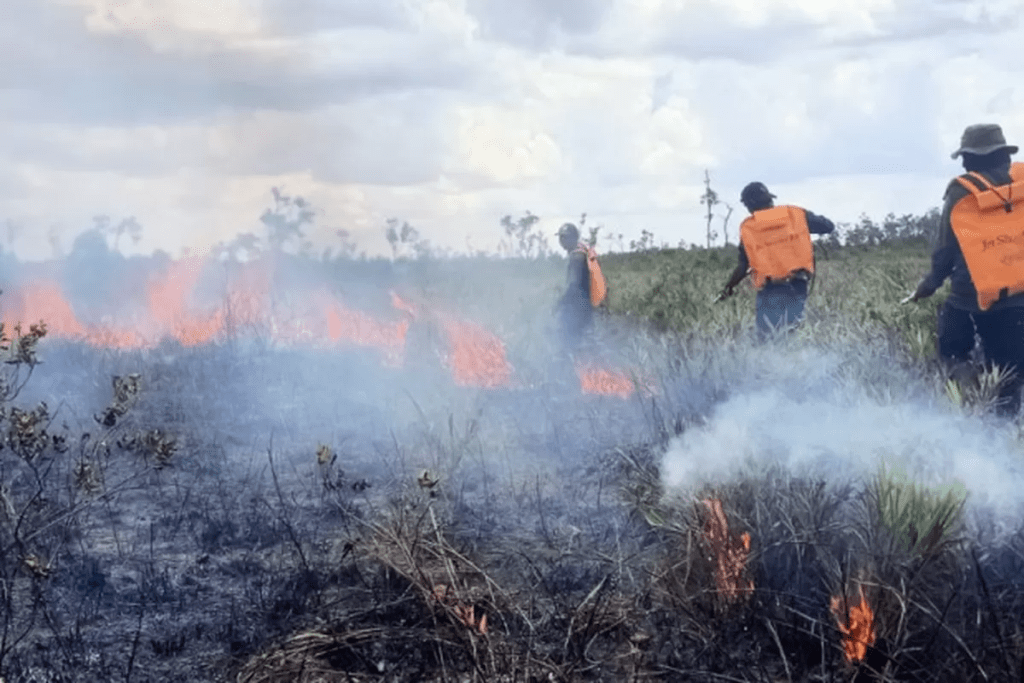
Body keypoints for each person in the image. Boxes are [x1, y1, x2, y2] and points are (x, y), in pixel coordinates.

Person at [904, 123, 1024, 416]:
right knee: (1010, 374)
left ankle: (969, 419)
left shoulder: (961, 192)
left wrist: (925, 287)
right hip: (1019, 298)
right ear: (1003, 154)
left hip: (971, 298)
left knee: (955, 354)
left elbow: (944, 253)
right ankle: (1006, 437)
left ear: (970, 158)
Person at [718, 182, 835, 339]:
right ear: (769, 200)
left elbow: (743, 266)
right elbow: (828, 226)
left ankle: (769, 361)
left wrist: (729, 287)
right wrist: (803, 222)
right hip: (797, 285)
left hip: (770, 289)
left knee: (766, 337)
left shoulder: (749, 227)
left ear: (749, 206)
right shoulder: (795, 214)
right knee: (790, 332)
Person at [555, 222, 606, 353]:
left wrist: (560, 303)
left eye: (564, 237)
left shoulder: (577, 257)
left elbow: (574, 284)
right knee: (585, 339)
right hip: (586, 306)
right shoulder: (583, 251)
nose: (561, 241)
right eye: (560, 237)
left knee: (571, 342)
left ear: (573, 238)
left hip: (578, 308)